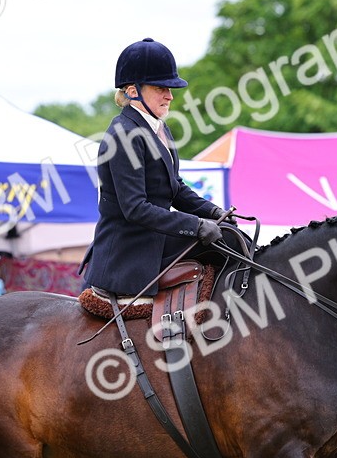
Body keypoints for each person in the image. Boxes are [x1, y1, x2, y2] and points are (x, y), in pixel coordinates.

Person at [80, 38, 232, 296]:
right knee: (226, 246)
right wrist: (196, 225)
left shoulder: (159, 128)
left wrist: (214, 212)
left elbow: (175, 188)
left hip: (157, 240)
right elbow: (136, 209)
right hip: (129, 252)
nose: (170, 96)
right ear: (132, 91)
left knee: (233, 238)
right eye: (160, 88)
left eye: (170, 88)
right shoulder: (122, 136)